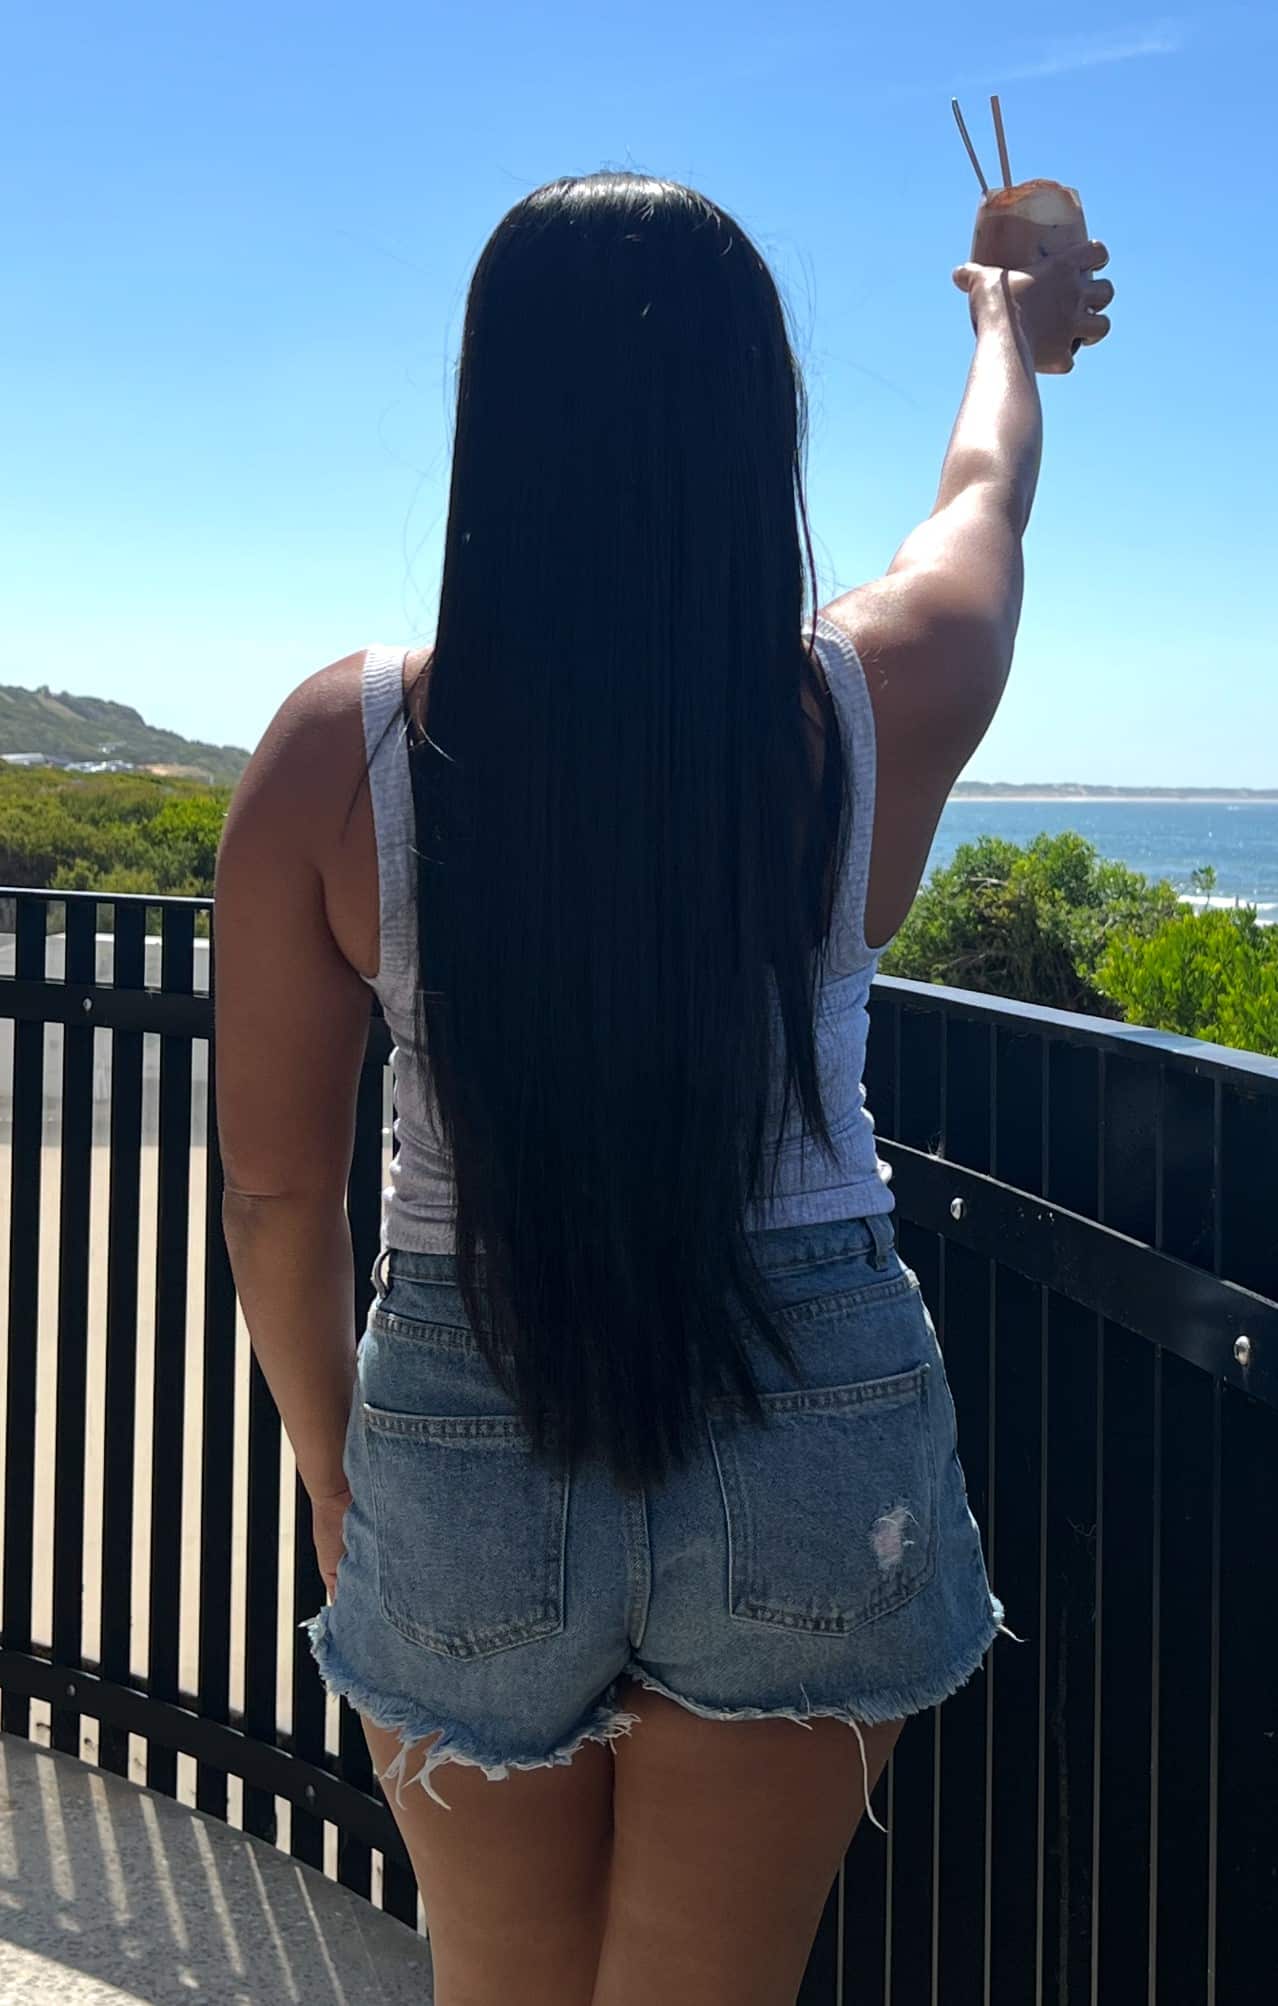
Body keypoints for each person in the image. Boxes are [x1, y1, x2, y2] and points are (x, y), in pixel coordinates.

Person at [213, 171, 1113, 2006]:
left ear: (490, 417)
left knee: (497, 1979)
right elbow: (981, 495)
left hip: (464, 1403)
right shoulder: (870, 700)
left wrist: (333, 1456)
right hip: (810, 1409)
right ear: (757, 424)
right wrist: (1003, 330)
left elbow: (279, 1193)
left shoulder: (334, 750)